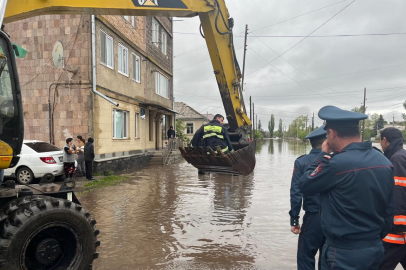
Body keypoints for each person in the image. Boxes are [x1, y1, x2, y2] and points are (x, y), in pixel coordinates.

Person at [299, 105, 395, 270]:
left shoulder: (335, 164)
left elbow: (306, 185)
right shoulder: (384, 162)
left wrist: (322, 155)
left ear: (332, 133)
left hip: (342, 252)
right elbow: (389, 210)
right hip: (374, 248)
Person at [289, 126, 327, 270]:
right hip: (335, 218)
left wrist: (294, 219)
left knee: (306, 257)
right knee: (329, 258)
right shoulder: (337, 161)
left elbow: (296, 192)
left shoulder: (302, 162)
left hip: (313, 217)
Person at [379, 128, 406, 270]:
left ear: (385, 140)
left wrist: (400, 224)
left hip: (397, 230)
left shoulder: (396, 158)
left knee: (381, 264)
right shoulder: (402, 155)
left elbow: (399, 189)